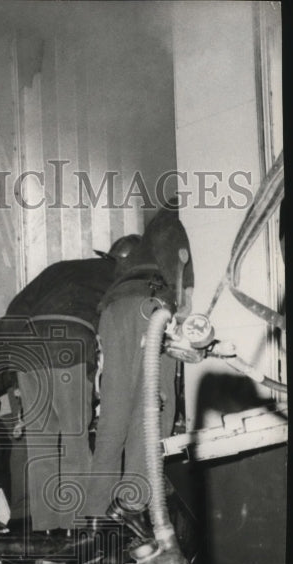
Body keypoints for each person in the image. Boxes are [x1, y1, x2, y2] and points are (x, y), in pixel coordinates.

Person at [0, 236, 141, 532]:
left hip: (27, 351)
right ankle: (77, 528)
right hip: (68, 350)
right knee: (75, 444)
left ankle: (46, 530)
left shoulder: (61, 268)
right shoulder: (121, 279)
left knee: (41, 448)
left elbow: (16, 310)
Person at [82, 205, 194, 523]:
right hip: (151, 308)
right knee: (153, 412)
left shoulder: (115, 285)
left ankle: (95, 521)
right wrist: (183, 305)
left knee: (112, 420)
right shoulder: (168, 226)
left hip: (113, 315)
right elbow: (181, 268)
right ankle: (133, 510)